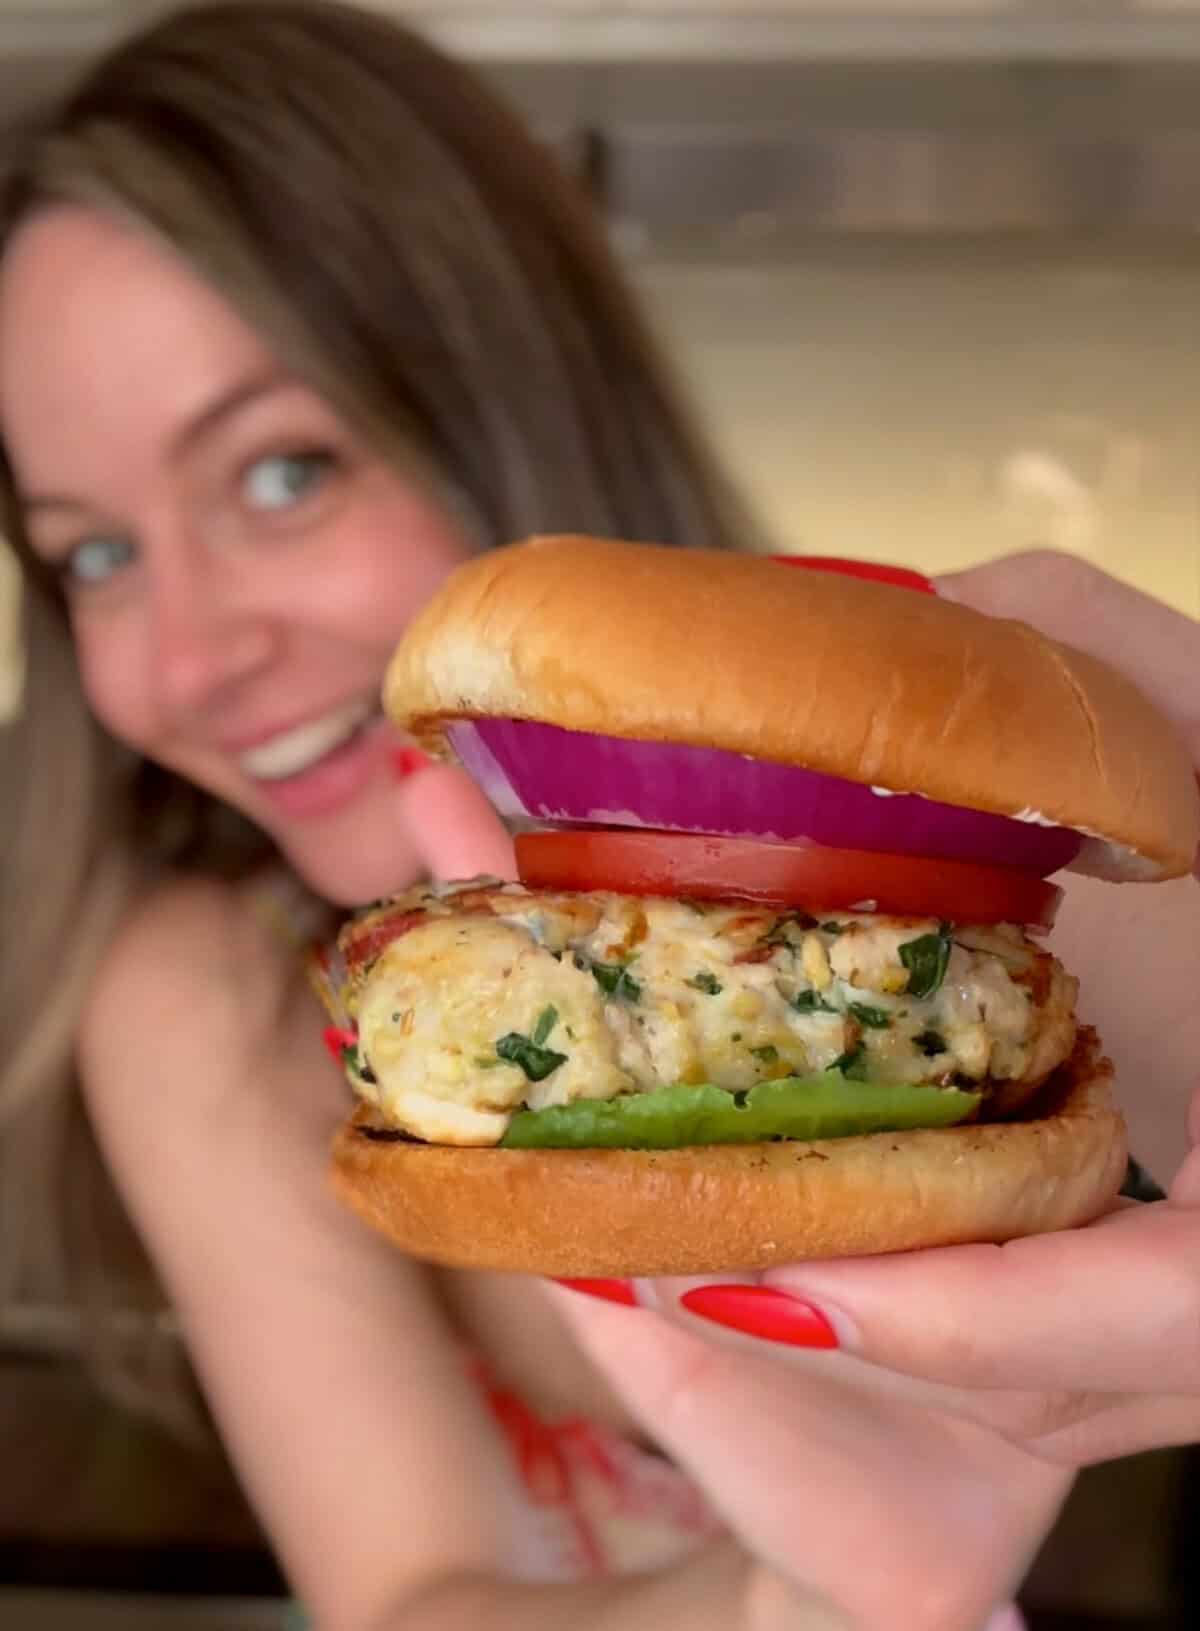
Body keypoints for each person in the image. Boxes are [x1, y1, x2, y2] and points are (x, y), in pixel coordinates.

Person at [0, 5, 1196, 1628]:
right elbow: (410, 1598)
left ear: (511, 400)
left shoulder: (1021, 855)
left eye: (282, 472)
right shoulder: (199, 994)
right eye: (92, 552)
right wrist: (813, 1601)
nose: (194, 660)